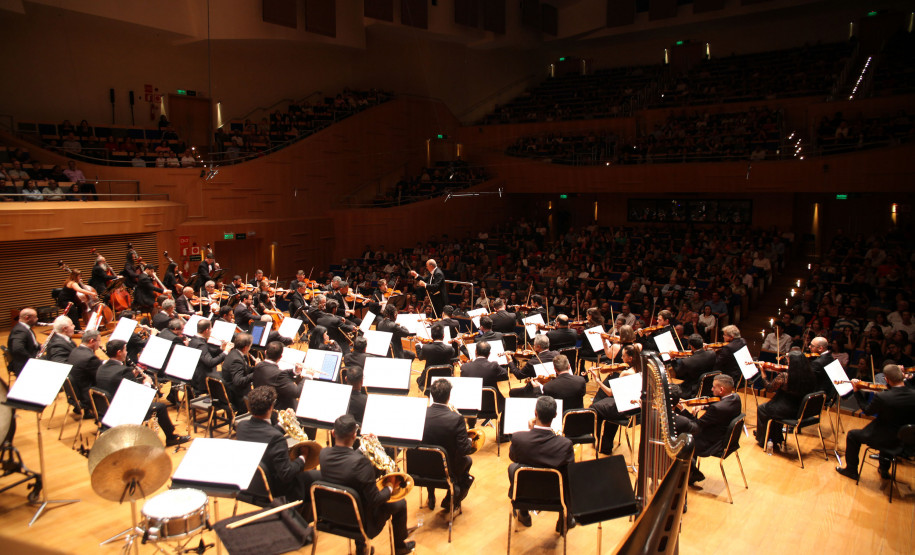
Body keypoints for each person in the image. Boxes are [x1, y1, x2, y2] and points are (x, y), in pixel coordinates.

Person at [319, 414, 415, 555]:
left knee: (357, 493)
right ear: (354, 436)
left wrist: (363, 449)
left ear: (333, 433)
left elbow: (346, 463)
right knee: (400, 504)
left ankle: (361, 547)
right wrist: (390, 485)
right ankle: (400, 547)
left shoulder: (323, 454)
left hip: (331, 517)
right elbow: (375, 500)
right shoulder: (361, 464)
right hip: (362, 523)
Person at [236, 386, 321, 517]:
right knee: (317, 478)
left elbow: (263, 436)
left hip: (250, 483)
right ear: (271, 407)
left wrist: (282, 425)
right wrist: (303, 457)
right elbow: (286, 474)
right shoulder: (276, 438)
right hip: (275, 489)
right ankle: (303, 521)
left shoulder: (241, 426)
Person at [96, 340, 190, 446]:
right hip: (124, 410)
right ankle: (171, 437)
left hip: (107, 409)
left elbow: (117, 384)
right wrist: (147, 383)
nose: (126, 353)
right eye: (125, 350)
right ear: (119, 352)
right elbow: (139, 396)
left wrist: (132, 378)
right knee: (160, 407)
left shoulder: (102, 367)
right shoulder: (123, 371)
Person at [507, 395, 575, 532]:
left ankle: (524, 512)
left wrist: (531, 431)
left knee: (513, 467)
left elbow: (513, 457)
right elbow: (571, 473)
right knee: (566, 474)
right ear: (555, 415)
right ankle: (565, 518)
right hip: (555, 496)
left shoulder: (519, 438)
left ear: (535, 413)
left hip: (526, 493)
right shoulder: (565, 444)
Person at [836, 364, 915, 480]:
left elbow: (867, 411)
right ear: (902, 377)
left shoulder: (884, 397)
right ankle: (883, 469)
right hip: (905, 441)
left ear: (886, 379)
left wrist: (857, 391)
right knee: (891, 431)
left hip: (885, 438)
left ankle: (851, 470)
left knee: (852, 435)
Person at [674, 374, 742, 487]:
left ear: (721, 389)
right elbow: (719, 404)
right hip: (725, 438)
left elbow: (695, 425)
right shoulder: (735, 397)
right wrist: (704, 406)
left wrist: (683, 410)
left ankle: (691, 472)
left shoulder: (716, 409)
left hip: (711, 442)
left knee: (681, 438)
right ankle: (690, 471)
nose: (711, 389)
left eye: (714, 387)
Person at [421, 379, 474, 511]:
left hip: (420, 467)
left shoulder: (420, 413)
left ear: (432, 395)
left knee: (429, 454)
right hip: (446, 468)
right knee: (467, 460)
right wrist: (470, 441)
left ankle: (431, 495)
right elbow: (465, 449)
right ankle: (451, 498)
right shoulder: (456, 418)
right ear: (449, 396)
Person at [754, 350, 817, 449]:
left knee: (762, 408)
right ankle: (776, 438)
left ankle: (765, 440)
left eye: (788, 360)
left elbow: (769, 388)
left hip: (785, 410)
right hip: (801, 410)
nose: (787, 361)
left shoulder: (785, 376)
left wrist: (763, 372)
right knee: (774, 408)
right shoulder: (810, 375)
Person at [589, 344, 641, 454]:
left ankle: (597, 441)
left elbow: (610, 393)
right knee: (606, 408)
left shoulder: (626, 373)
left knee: (594, 408)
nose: (621, 358)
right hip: (636, 410)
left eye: (623, 356)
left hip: (623, 409)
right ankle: (606, 445)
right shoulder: (641, 369)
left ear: (630, 358)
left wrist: (597, 379)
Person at [253, 341, 304, 411]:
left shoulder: (258, 365)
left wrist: (295, 371)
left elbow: (276, 373)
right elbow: (296, 392)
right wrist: (307, 376)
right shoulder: (280, 375)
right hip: (278, 410)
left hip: (263, 404)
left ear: (265, 352)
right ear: (280, 357)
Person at [186, 319, 231, 395]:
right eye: (211, 328)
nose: (211, 330)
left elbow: (210, 352)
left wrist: (222, 348)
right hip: (202, 378)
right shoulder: (200, 344)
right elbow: (210, 363)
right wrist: (226, 352)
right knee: (228, 380)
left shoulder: (194, 339)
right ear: (206, 330)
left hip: (198, 372)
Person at [67, 329, 102, 414]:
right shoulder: (90, 358)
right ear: (91, 341)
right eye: (99, 340)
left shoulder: (75, 350)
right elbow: (100, 377)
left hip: (75, 391)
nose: (100, 343)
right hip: (86, 395)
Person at [414, 323, 458, 391]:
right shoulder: (450, 349)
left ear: (431, 336)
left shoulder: (426, 348)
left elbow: (420, 357)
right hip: (444, 380)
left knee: (418, 379)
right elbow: (452, 358)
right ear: (443, 336)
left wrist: (417, 344)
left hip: (429, 381)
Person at [674, 334, 716, 398]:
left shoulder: (687, 361)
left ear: (691, 346)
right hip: (708, 387)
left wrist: (672, 359)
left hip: (691, 390)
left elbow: (678, 374)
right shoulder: (712, 353)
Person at [221, 333, 255, 414]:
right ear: (245, 347)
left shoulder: (234, 353)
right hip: (236, 396)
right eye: (250, 346)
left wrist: (258, 367)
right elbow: (238, 381)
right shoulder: (237, 360)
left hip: (232, 389)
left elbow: (246, 369)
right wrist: (255, 374)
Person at [8, 308, 40, 376]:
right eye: (35, 317)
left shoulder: (24, 328)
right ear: (27, 318)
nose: (37, 319)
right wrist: (31, 359)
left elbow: (31, 342)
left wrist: (40, 346)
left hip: (28, 360)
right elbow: (17, 348)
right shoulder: (20, 331)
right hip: (24, 366)